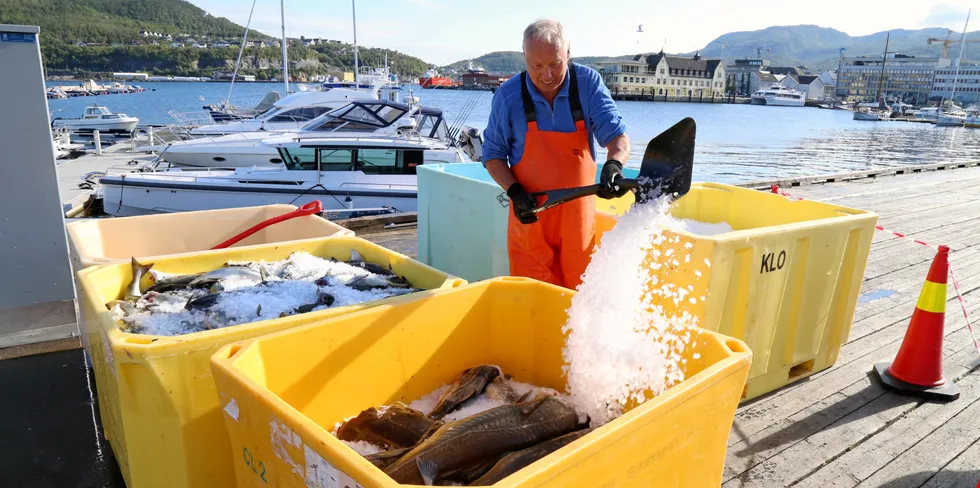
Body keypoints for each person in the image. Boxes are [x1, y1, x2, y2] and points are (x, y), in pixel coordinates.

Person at [482, 18, 632, 290]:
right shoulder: (507, 95)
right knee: (530, 298)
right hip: (529, 217)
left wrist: (614, 164)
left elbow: (618, 139)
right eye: (536, 66)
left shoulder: (588, 84)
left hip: (578, 223)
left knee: (578, 301)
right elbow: (492, 155)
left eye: (555, 64)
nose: (547, 75)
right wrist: (514, 191)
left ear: (568, 54)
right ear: (524, 57)